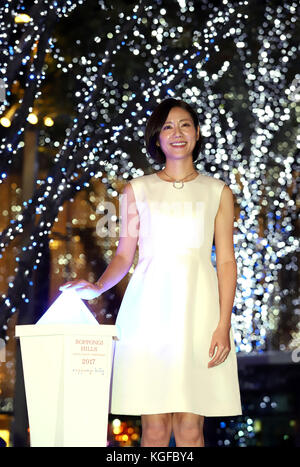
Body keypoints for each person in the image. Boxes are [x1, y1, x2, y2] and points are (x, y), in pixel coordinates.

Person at [60, 98, 242, 447]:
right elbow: (124, 255)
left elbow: (227, 261)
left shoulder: (217, 192)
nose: (177, 133)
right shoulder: (136, 190)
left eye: (185, 125)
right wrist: (97, 287)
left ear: (197, 132)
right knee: (155, 429)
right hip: (148, 312)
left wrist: (223, 324)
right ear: (157, 137)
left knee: (191, 429)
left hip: (199, 313)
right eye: (168, 127)